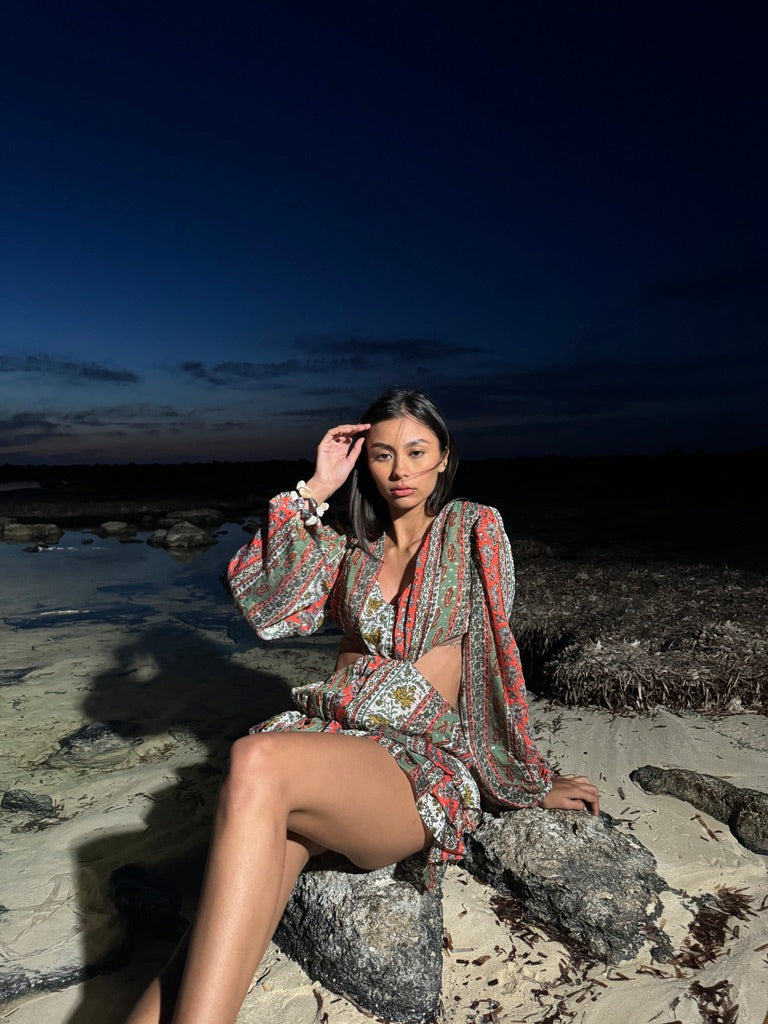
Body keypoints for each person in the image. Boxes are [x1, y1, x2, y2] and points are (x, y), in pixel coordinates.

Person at [126, 388, 599, 1024]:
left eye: (416, 452)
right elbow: (265, 602)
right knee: (208, 941)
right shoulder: (351, 545)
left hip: (415, 764)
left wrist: (524, 779)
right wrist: (317, 487)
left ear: (444, 457)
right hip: (332, 744)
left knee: (255, 757)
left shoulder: (471, 528)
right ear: (365, 462)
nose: (400, 470)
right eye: (382, 455)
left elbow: (495, 658)